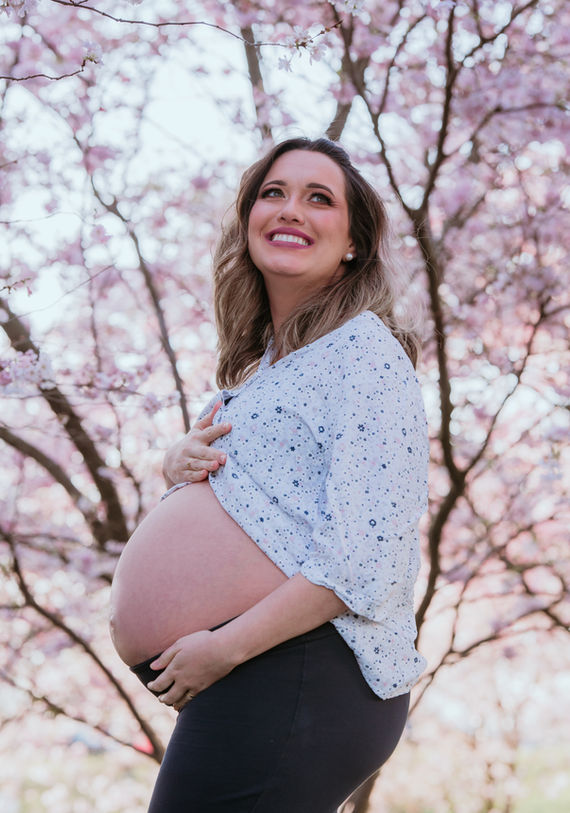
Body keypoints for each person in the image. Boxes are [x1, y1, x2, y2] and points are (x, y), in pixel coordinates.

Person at [110, 137, 429, 812]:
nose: (290, 209)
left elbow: (364, 558)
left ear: (354, 243)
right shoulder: (267, 369)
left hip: (304, 665)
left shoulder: (365, 352)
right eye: (274, 192)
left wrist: (223, 648)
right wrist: (177, 463)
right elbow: (257, 499)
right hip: (265, 673)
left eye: (320, 198)